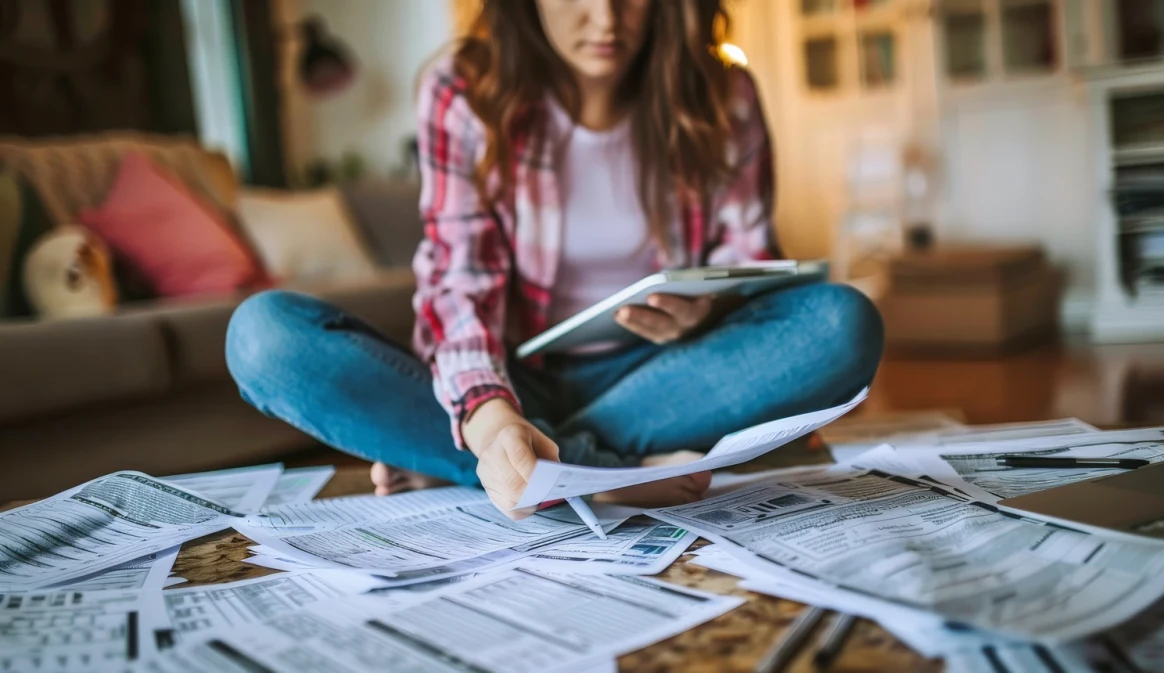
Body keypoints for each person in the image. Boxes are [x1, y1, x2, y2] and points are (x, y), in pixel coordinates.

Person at [225, 0, 884, 519]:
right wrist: (488, 416)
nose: (605, 17)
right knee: (263, 339)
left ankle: (487, 461)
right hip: (512, 375)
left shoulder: (723, 95)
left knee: (843, 324)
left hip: (663, 378)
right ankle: (602, 470)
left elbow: (749, 265)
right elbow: (460, 288)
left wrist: (705, 311)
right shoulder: (464, 91)